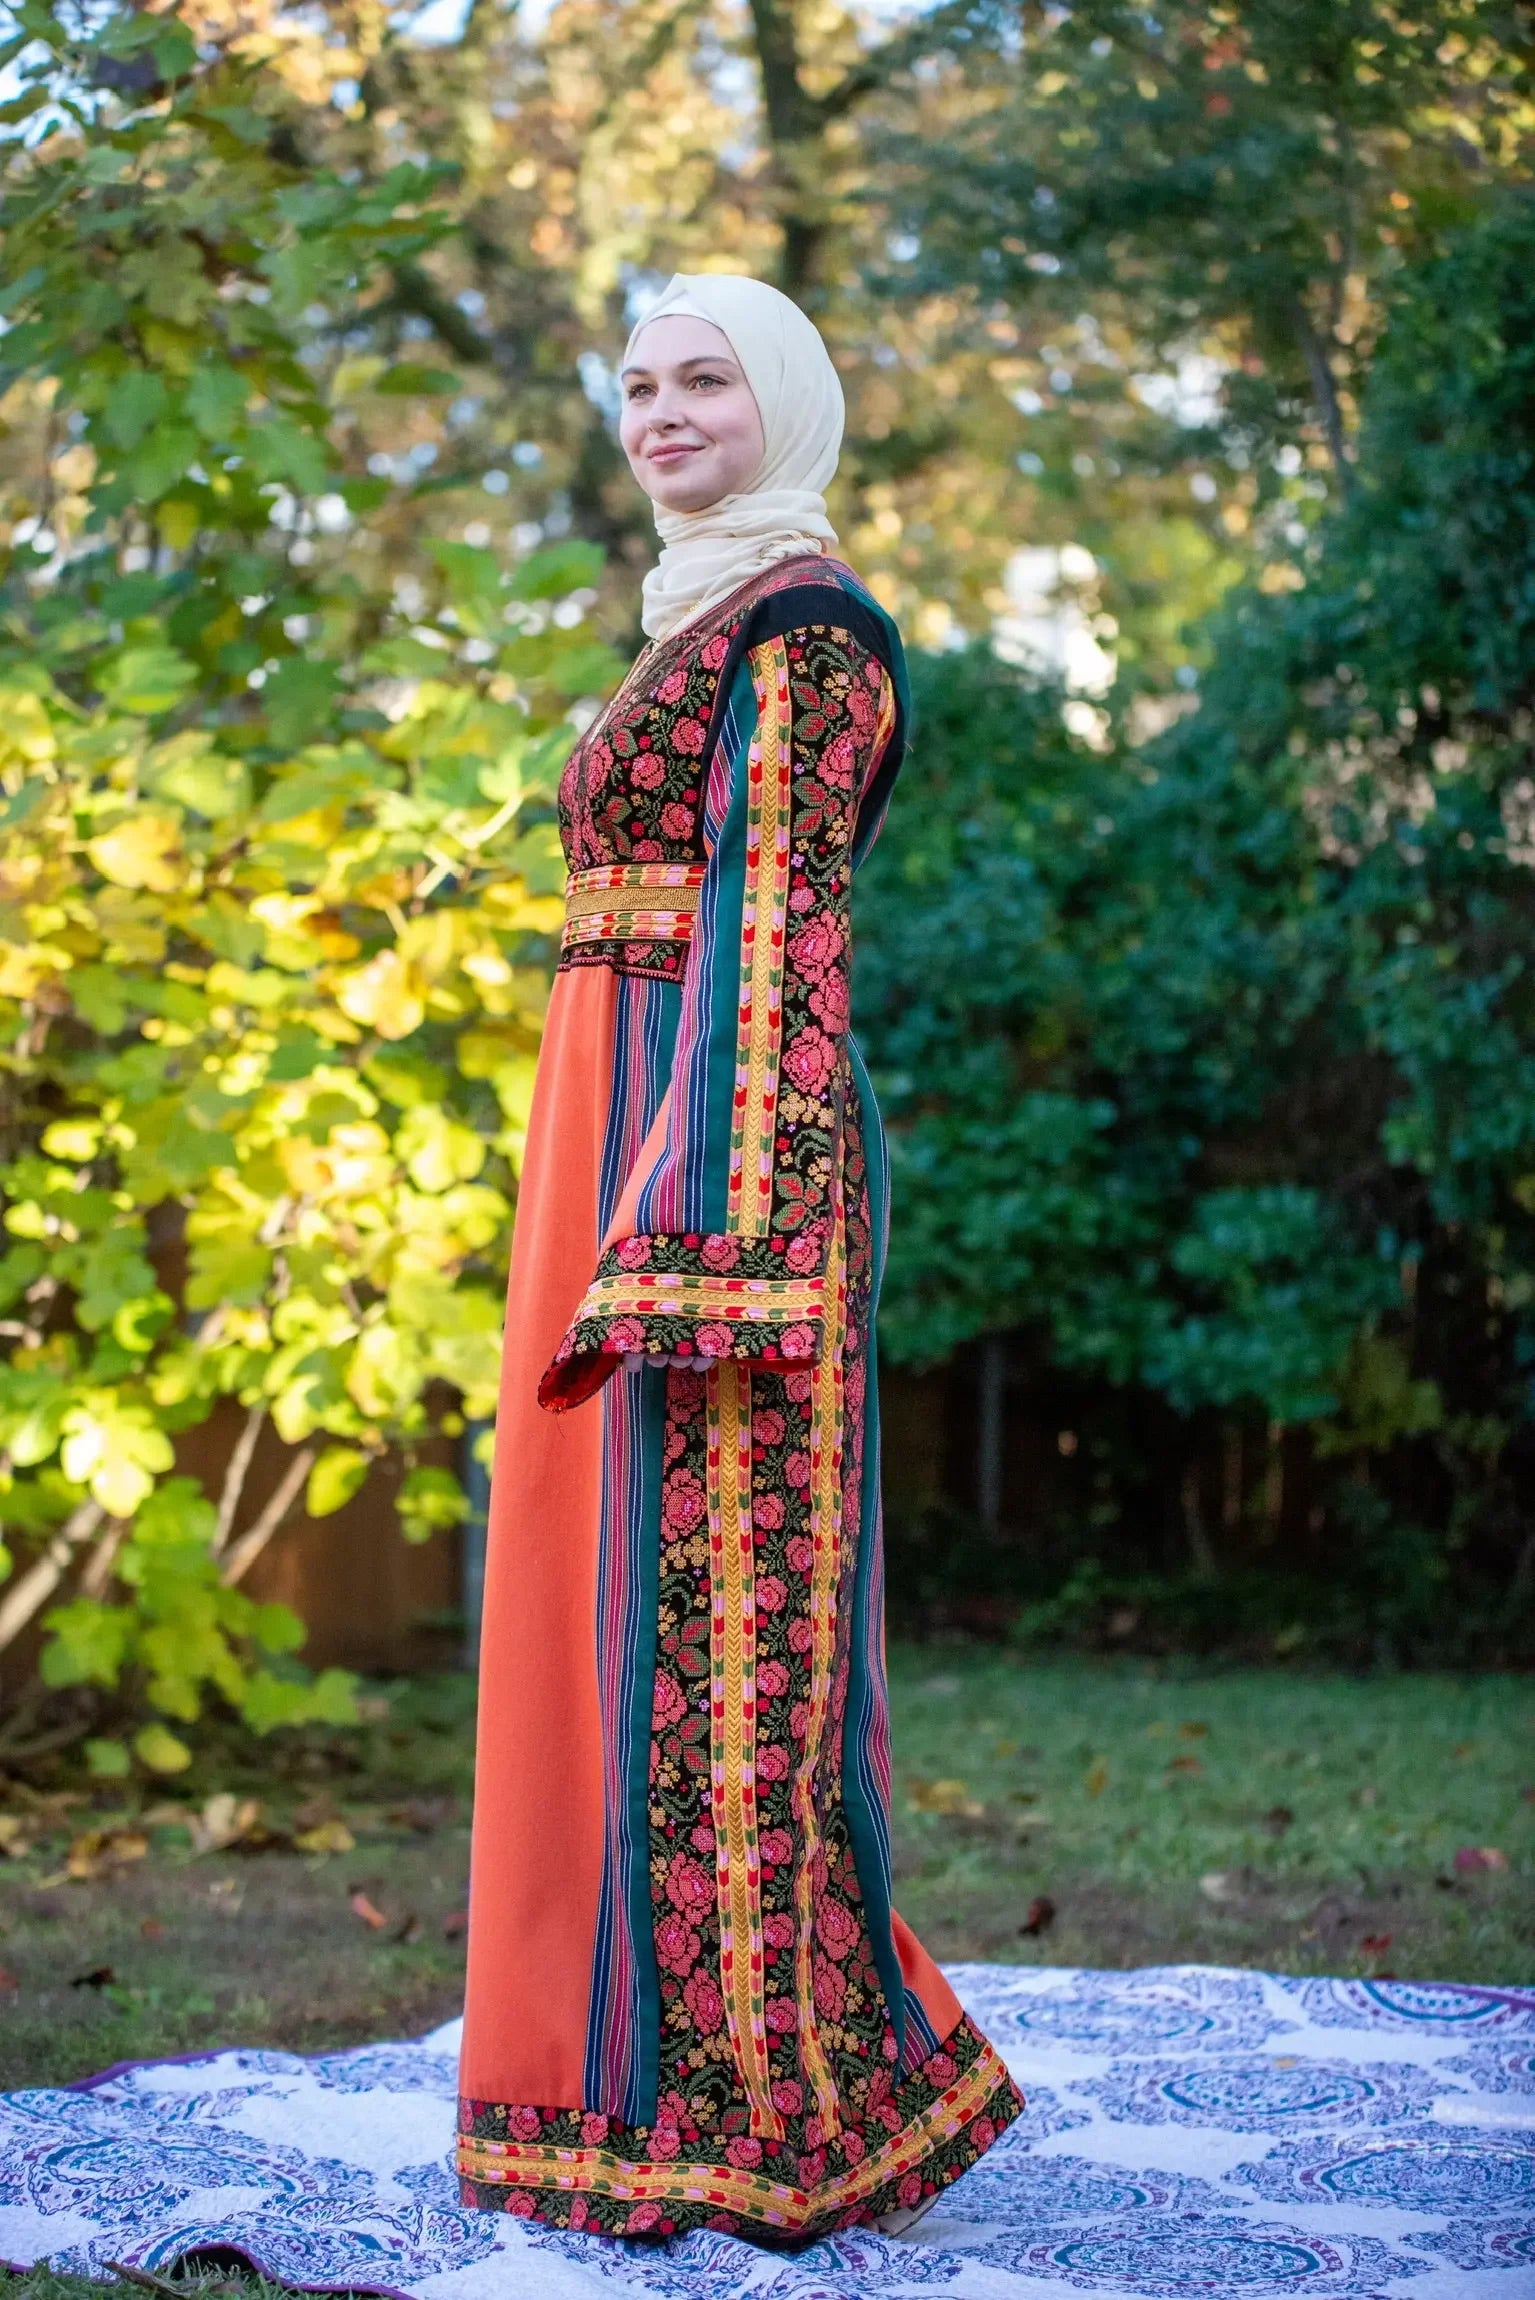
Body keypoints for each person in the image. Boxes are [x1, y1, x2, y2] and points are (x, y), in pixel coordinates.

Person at [457, 272, 1022, 2245]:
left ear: (784, 398)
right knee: (593, 1625)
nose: (663, 409)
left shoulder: (810, 633)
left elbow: (780, 924)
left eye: (706, 377)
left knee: (722, 1656)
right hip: (600, 1130)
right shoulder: (682, 621)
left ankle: (761, 2109)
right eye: (637, 383)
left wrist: (703, 1231)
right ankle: (608, 2079)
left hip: (708, 1169)